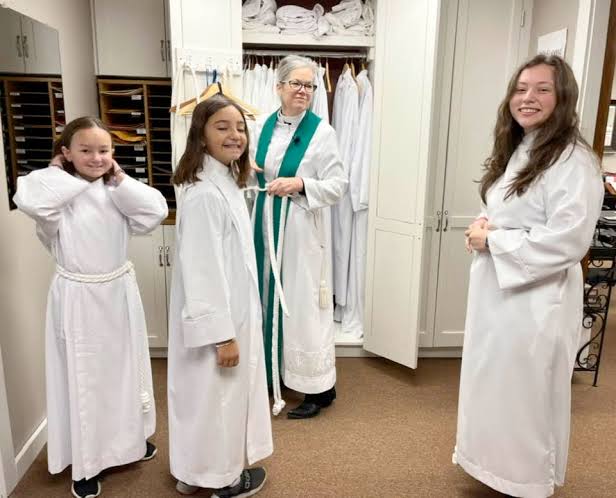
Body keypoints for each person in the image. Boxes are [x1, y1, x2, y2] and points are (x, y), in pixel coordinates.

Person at [454, 54, 604, 497]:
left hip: (537, 300)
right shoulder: (523, 148)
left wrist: (493, 241)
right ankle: (493, 467)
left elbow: (569, 239)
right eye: (521, 89)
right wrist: (484, 222)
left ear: (563, 97)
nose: (528, 98)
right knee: (494, 382)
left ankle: (524, 479)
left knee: (525, 392)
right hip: (499, 295)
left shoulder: (573, 160)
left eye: (542, 89)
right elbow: (509, 208)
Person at [13, 116, 168, 498]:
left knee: (125, 373)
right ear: (66, 152)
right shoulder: (56, 193)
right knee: (87, 380)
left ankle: (130, 441)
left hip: (117, 293)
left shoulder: (114, 190)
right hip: (79, 298)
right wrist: (63, 174)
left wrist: (118, 178)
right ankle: (87, 464)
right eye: (85, 150)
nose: (96, 158)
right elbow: (28, 198)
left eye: (104, 150)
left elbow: (156, 211)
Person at [168, 94, 273, 497]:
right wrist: (223, 335)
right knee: (218, 399)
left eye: (241, 128)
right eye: (223, 127)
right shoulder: (205, 194)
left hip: (227, 311)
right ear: (201, 135)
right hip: (217, 320)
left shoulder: (224, 181)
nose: (235, 135)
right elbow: (203, 271)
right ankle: (225, 479)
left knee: (203, 398)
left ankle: (195, 471)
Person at [251, 55, 348, 419]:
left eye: (309, 85)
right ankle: (273, 373)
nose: (303, 91)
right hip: (264, 223)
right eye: (296, 84)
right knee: (266, 297)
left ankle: (318, 388)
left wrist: (301, 183)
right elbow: (255, 169)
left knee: (302, 304)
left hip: (300, 229)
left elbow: (338, 185)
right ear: (279, 87)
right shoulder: (261, 126)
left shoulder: (322, 133)